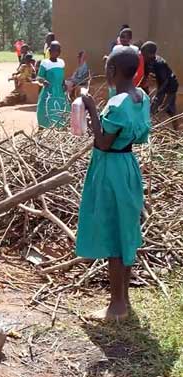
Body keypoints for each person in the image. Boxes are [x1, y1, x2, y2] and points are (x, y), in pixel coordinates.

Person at [76, 46, 151, 322]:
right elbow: (137, 135)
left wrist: (91, 108)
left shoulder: (116, 104)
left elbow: (103, 142)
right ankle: (124, 300)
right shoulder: (141, 97)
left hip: (110, 169)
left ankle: (116, 306)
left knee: (113, 232)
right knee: (125, 230)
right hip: (128, 166)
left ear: (112, 70)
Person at [141, 41, 179, 125]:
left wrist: (158, 95)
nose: (142, 56)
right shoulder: (148, 61)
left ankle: (176, 129)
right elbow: (145, 76)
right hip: (163, 85)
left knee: (163, 107)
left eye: (143, 54)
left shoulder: (159, 64)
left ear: (151, 54)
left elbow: (165, 82)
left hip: (170, 87)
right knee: (165, 107)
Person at [36, 41, 70, 128]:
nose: (55, 53)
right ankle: (44, 127)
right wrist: (44, 81)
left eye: (58, 51)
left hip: (59, 91)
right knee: (47, 109)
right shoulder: (45, 63)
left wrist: (64, 84)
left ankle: (61, 127)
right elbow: (39, 77)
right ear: (50, 51)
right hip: (49, 91)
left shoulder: (61, 62)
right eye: (53, 50)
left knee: (61, 109)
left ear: (59, 52)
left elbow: (61, 76)